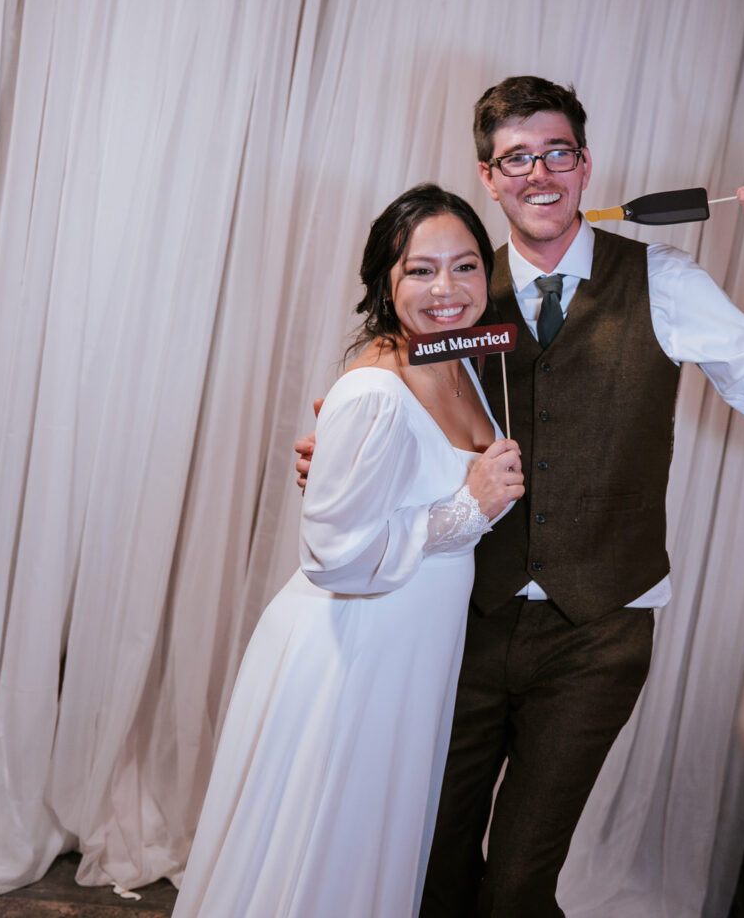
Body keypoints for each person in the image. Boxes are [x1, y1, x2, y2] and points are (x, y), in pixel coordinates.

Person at [297, 77, 744, 918]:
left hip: (599, 638)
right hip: (464, 620)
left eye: (557, 153)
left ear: (584, 164)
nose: (539, 173)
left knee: (517, 887)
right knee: (433, 865)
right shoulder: (463, 294)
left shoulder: (665, 282)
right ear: (489, 176)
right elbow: (393, 396)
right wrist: (338, 457)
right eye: (516, 159)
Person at [174, 184, 524, 918]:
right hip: (352, 654)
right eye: (420, 270)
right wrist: (472, 506)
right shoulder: (373, 388)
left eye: (464, 267)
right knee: (324, 850)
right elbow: (335, 554)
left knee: (370, 848)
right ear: (384, 281)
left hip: (409, 655)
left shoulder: (458, 360)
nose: (447, 288)